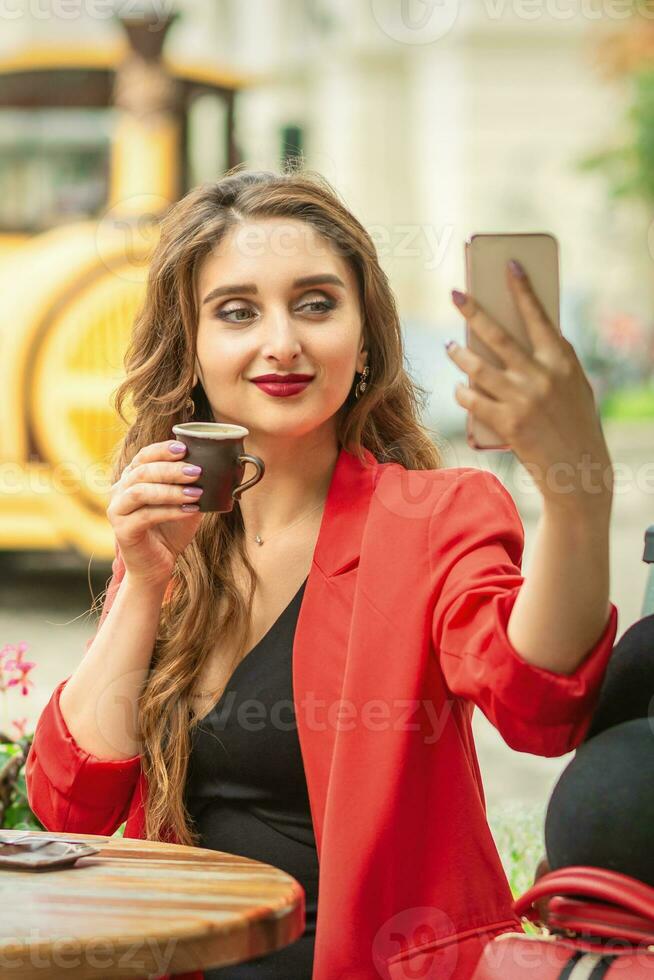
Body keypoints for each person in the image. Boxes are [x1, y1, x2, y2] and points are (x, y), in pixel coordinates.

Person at [26, 167, 619, 980]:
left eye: (315, 303)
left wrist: (574, 492)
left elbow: (537, 701)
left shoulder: (435, 517)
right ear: (192, 349)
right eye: (237, 312)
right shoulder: (178, 535)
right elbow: (71, 804)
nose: (282, 342)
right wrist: (143, 582)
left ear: (366, 336)